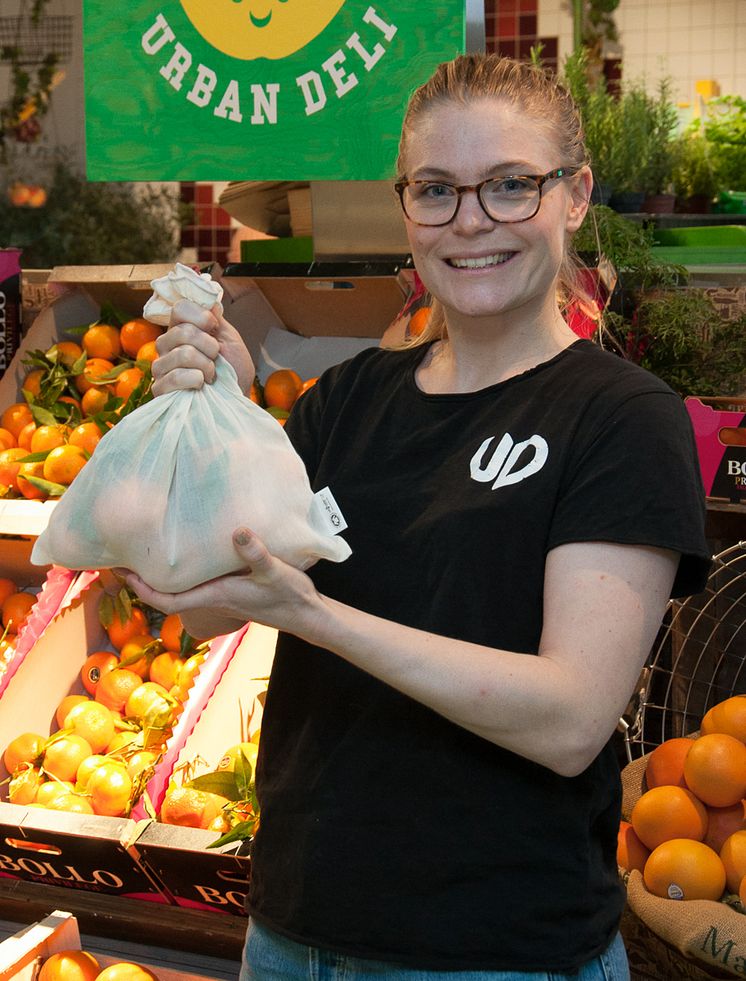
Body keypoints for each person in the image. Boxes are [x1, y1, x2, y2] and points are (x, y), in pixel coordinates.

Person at [125, 54, 711, 980]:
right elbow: (198, 607)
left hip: (498, 952)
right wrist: (219, 430)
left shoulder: (620, 418)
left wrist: (315, 615)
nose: (470, 220)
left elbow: (568, 720)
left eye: (511, 185)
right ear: (406, 208)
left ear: (575, 196)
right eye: (436, 190)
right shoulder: (346, 400)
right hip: (292, 934)